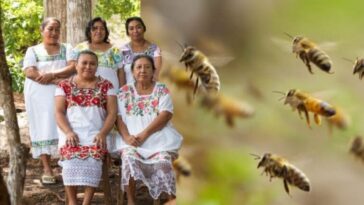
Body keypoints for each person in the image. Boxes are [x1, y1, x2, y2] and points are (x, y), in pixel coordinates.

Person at [116, 55, 182, 205]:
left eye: (147, 67)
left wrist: (144, 134)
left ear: (153, 71)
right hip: (132, 141)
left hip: (158, 139)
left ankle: (171, 200)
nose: (143, 70)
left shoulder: (161, 89)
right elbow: (118, 117)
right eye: (138, 67)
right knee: (129, 158)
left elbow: (166, 114)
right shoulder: (124, 91)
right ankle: (131, 201)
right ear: (132, 71)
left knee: (164, 161)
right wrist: (126, 137)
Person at [55, 50, 117, 205]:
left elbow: (112, 113)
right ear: (76, 65)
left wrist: (103, 133)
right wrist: (68, 132)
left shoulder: (106, 86)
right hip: (70, 132)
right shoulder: (64, 85)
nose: (88, 66)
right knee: (69, 160)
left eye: (92, 63)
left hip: (97, 132)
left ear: (97, 66)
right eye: (84, 63)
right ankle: (72, 202)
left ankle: (86, 203)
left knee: (94, 159)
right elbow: (59, 112)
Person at [22, 17, 75, 184]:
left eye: (57, 30)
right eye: (50, 29)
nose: (54, 33)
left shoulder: (67, 48)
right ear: (42, 30)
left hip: (64, 93)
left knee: (66, 124)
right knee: (42, 127)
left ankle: (68, 166)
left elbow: (73, 67)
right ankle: (47, 168)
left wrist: (52, 75)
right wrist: (53, 81)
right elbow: (29, 72)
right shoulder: (33, 50)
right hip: (38, 95)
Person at [71, 17, 125, 89]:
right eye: (95, 28)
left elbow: (121, 72)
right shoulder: (80, 48)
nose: (99, 31)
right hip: (85, 92)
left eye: (102, 29)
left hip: (111, 93)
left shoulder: (115, 50)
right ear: (89, 31)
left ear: (106, 32)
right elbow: (72, 69)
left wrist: (122, 92)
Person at [121, 16, 162, 84]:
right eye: (131, 28)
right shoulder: (123, 50)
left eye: (138, 27)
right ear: (127, 32)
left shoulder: (154, 49)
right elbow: (120, 75)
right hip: (128, 92)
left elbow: (155, 75)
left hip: (149, 91)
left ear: (144, 29)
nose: (135, 31)